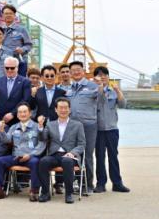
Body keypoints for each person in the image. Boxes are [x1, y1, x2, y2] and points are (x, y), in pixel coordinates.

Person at [0, 102, 45, 201]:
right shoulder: (14, 127)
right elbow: (6, 140)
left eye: (25, 112)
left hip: (31, 157)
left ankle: (34, 191)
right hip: (16, 156)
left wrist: (30, 155)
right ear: (17, 115)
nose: (22, 114)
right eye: (20, 112)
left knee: (36, 162)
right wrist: (2, 130)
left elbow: (42, 144)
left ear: (30, 113)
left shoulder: (37, 126)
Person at [37, 98, 86, 204]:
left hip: (70, 155)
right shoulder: (50, 124)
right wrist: (40, 126)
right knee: (43, 161)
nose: (63, 110)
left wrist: (72, 153)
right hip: (54, 155)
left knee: (67, 161)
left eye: (65, 108)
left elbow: (82, 144)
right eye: (60, 108)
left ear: (70, 109)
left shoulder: (78, 125)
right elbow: (42, 139)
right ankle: (45, 193)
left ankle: (69, 194)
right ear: (56, 110)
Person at [93, 66, 130, 193]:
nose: (102, 77)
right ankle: (100, 184)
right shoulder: (93, 91)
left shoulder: (113, 91)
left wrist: (118, 91)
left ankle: (117, 183)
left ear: (108, 77)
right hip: (98, 130)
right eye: (99, 75)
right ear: (95, 78)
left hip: (112, 129)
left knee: (113, 156)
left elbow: (123, 105)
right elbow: (100, 100)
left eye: (105, 74)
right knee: (99, 157)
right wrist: (100, 87)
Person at [68, 60, 102, 191]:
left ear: (83, 71)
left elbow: (101, 100)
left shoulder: (92, 85)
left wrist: (100, 86)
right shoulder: (68, 88)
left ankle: (88, 185)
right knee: (74, 154)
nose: (76, 72)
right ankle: (77, 182)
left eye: (78, 69)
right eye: (73, 70)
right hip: (72, 126)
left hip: (88, 125)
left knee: (87, 155)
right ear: (70, 73)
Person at [0, 57, 31, 126]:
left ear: (17, 68)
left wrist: (13, 113)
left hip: (17, 120)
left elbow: (25, 100)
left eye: (12, 68)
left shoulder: (25, 82)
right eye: (7, 68)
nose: (9, 70)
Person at [0, 5, 33, 76]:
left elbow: (29, 45)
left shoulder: (22, 29)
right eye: (6, 13)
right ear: (2, 15)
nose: (8, 15)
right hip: (3, 64)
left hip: (18, 64)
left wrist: (22, 49)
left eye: (10, 13)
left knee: (19, 82)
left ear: (14, 15)